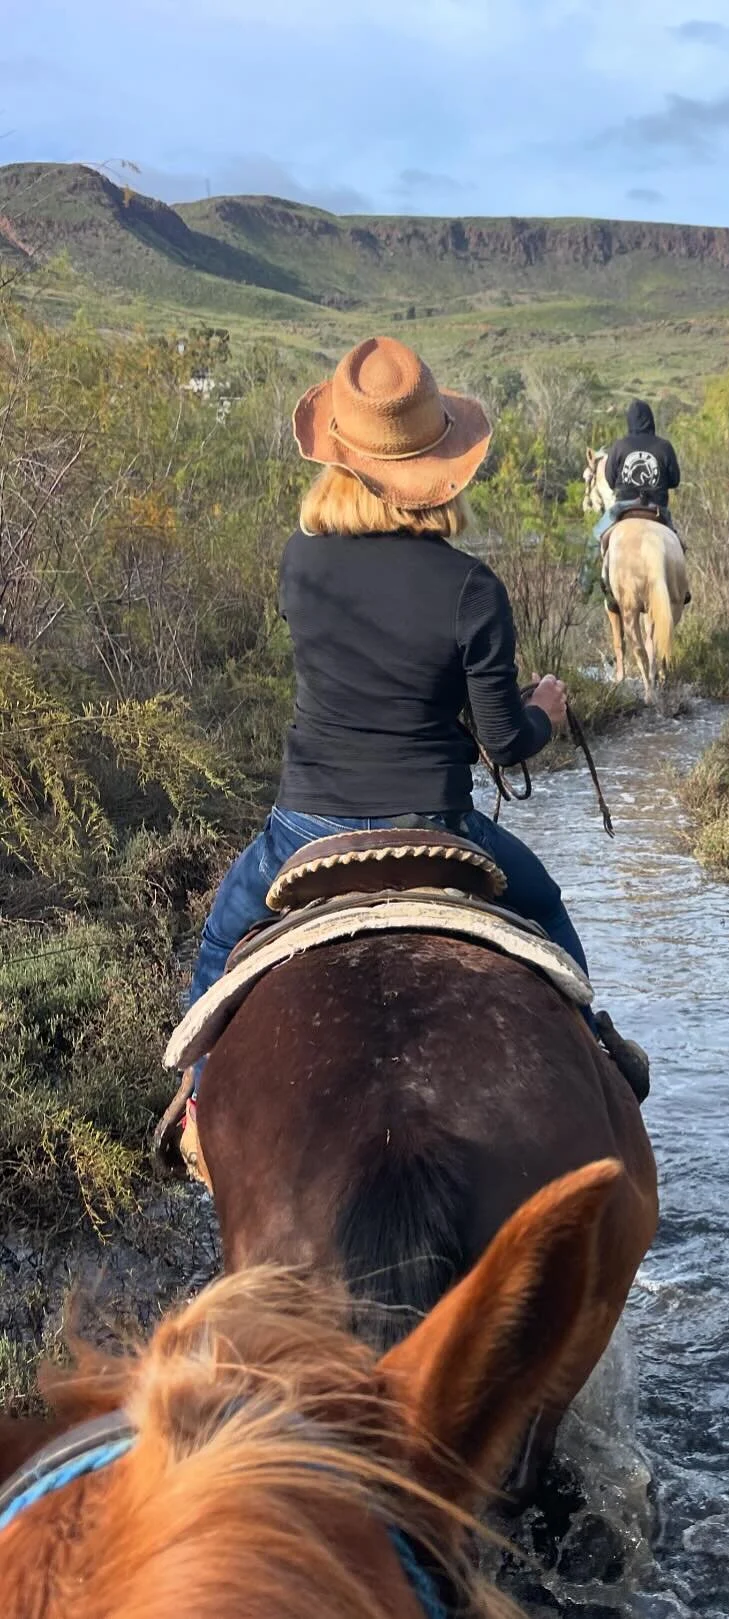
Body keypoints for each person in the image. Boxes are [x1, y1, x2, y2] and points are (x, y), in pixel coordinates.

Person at [170, 336, 646, 1168]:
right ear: (442, 468)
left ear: (340, 460)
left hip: (304, 828)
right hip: (437, 822)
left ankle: (196, 1108)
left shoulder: (298, 563)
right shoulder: (470, 588)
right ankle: (596, 1059)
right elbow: (502, 743)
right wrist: (545, 709)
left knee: (217, 941)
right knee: (548, 908)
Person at [592, 398, 681, 550]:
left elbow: (610, 480)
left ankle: (585, 575)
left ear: (629, 421)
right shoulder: (665, 446)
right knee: (678, 546)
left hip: (624, 507)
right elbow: (674, 480)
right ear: (651, 420)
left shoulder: (619, 446)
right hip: (657, 508)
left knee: (595, 537)